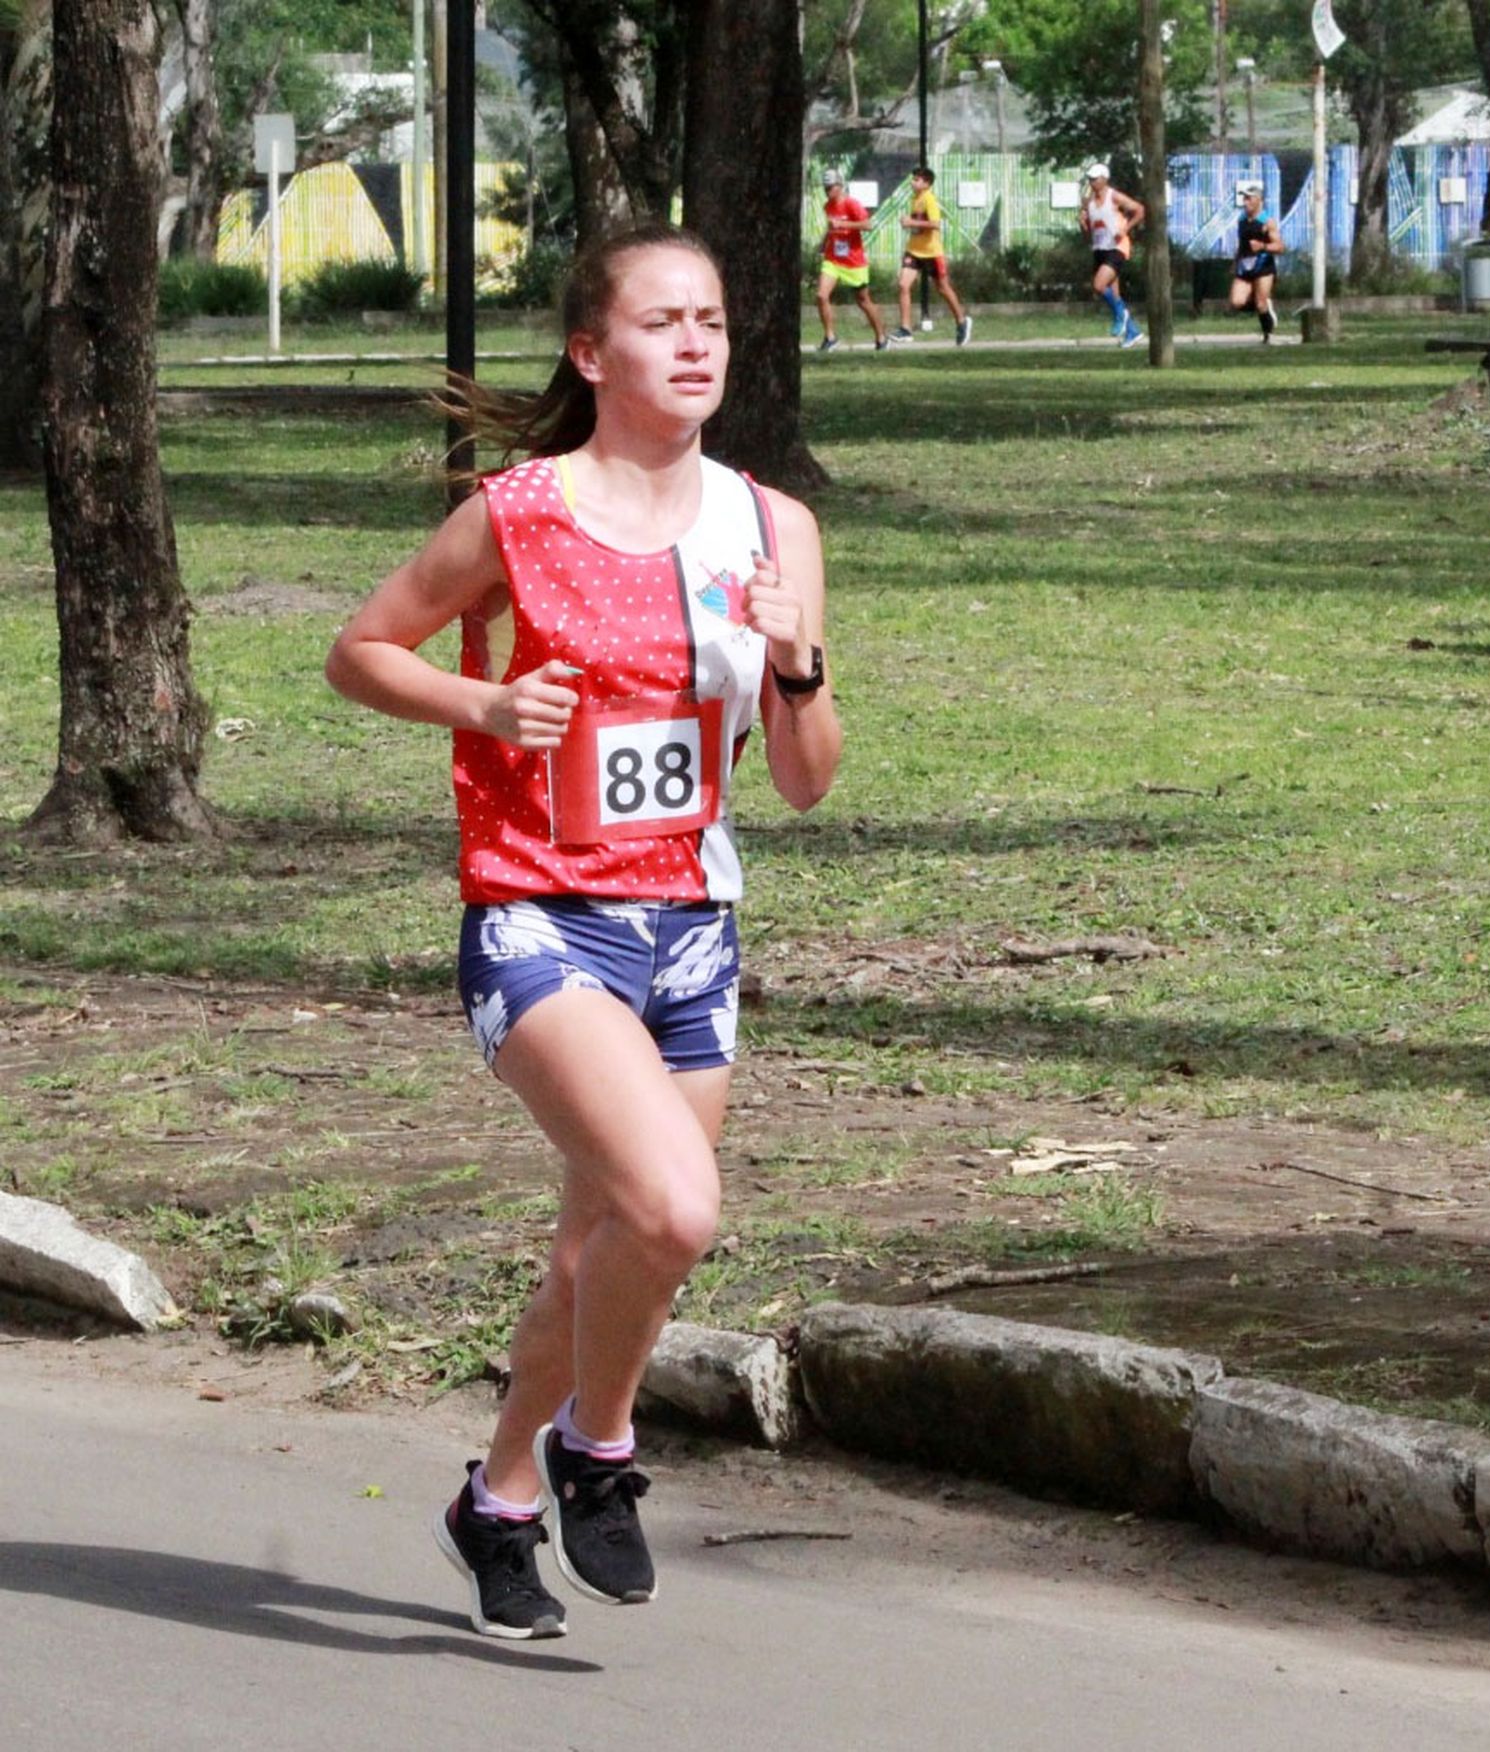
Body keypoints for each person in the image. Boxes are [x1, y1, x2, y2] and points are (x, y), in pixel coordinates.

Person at [324, 222, 843, 1641]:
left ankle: (493, 1507)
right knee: (673, 1211)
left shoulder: (772, 524)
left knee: (597, 1248)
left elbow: (804, 779)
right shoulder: (520, 513)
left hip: (693, 926)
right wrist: (486, 707)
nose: (695, 345)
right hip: (539, 916)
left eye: (715, 322)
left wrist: (799, 665)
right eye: (663, 320)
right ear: (590, 350)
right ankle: (597, 1452)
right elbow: (360, 650)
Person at [891, 165, 973, 346]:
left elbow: (935, 224)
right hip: (914, 250)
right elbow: (919, 225)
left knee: (943, 288)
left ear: (927, 183)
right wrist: (910, 224)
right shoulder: (915, 198)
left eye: (917, 179)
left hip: (931, 252)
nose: (913, 182)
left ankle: (961, 321)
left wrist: (911, 221)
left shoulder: (929, 199)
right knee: (903, 285)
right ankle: (905, 329)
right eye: (913, 178)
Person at [815, 167, 889, 353]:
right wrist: (823, 244)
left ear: (840, 186)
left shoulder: (851, 204)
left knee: (863, 300)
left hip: (853, 261)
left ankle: (881, 337)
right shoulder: (828, 206)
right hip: (833, 259)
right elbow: (831, 228)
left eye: (830, 187)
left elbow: (867, 224)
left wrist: (843, 224)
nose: (828, 191)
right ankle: (830, 337)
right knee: (821, 296)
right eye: (825, 188)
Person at [1079, 162, 1145, 349]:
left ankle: (1121, 316)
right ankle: (1133, 332)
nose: (1091, 182)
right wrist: (1083, 224)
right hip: (1100, 249)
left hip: (1117, 248)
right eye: (1089, 179)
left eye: (1095, 178)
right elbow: (1088, 233)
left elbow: (1140, 210)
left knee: (1098, 286)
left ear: (1104, 179)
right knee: (1114, 295)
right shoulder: (1089, 202)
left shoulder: (1114, 196)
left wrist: (1126, 228)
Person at [1229, 181, 1283, 342]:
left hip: (1263, 265)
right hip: (1245, 265)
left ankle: (1268, 334)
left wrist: (1263, 246)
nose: (1245, 202)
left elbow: (1280, 247)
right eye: (1244, 199)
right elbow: (1242, 244)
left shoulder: (1267, 222)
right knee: (1236, 302)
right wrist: (1235, 261)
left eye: (1248, 198)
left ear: (1258, 200)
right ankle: (1262, 301)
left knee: (1260, 304)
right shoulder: (1242, 220)